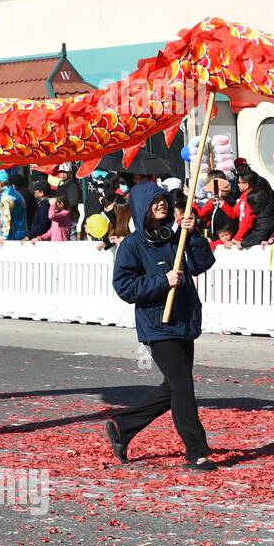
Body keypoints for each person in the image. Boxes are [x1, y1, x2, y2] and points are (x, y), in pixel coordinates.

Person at [106, 184, 218, 471]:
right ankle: (196, 450)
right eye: (156, 202)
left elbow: (203, 262)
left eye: (164, 201)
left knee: (173, 387)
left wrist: (192, 235)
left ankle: (123, 426)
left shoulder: (175, 238)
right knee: (183, 385)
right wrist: (161, 281)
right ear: (144, 207)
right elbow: (125, 286)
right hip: (158, 325)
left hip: (183, 320)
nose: (162, 205)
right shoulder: (132, 246)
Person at [0, 170, 27, 243]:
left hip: (13, 237)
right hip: (22, 233)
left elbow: (6, 218)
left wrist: (4, 237)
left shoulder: (5, 197)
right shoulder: (14, 192)